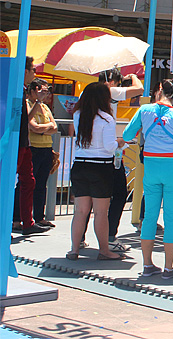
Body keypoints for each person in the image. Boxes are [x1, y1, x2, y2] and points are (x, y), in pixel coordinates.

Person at [123, 78, 173, 279]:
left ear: (159, 90)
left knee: (149, 216)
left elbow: (126, 135)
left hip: (151, 167)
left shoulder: (144, 111)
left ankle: (147, 264)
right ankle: (168, 267)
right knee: (171, 217)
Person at [67, 82, 125, 261]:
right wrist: (120, 143)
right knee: (101, 212)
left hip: (80, 164)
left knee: (80, 211)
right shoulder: (106, 119)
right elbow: (109, 147)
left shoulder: (78, 114)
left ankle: (74, 250)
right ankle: (104, 250)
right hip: (100, 167)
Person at [98, 68, 143, 250]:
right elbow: (138, 89)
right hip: (108, 153)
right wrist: (132, 76)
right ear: (113, 81)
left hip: (86, 155)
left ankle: (78, 241)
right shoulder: (109, 92)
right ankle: (109, 237)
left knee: (87, 201)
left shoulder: (87, 94)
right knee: (119, 193)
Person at [14, 57, 48, 235]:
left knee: (29, 180)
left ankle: (27, 222)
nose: (35, 74)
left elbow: (25, 119)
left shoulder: (23, 90)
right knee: (16, 181)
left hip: (23, 142)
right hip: (15, 142)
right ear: (26, 71)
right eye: (33, 70)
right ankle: (15, 221)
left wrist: (38, 101)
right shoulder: (14, 87)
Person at [27, 79, 57, 228]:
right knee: (27, 184)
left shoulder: (45, 107)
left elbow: (55, 127)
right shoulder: (29, 104)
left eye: (47, 91)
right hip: (33, 148)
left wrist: (41, 129)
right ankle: (19, 217)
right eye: (42, 91)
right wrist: (44, 129)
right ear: (33, 90)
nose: (46, 94)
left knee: (41, 184)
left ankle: (39, 216)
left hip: (46, 148)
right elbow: (33, 127)